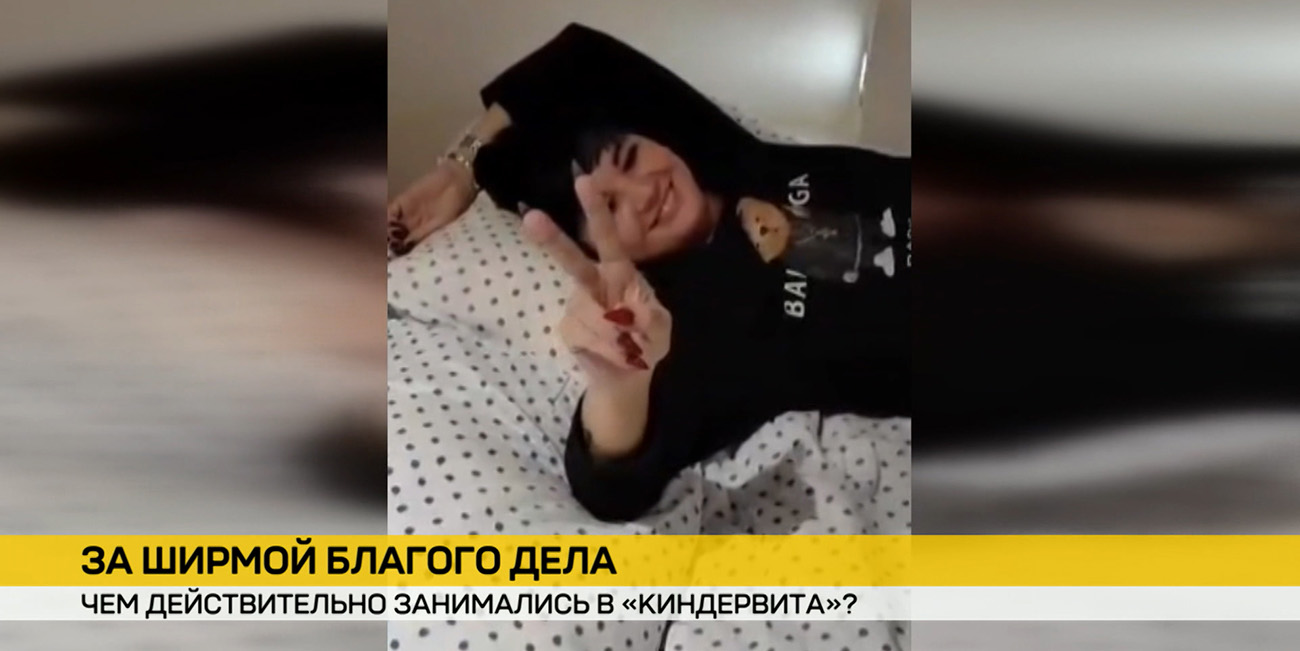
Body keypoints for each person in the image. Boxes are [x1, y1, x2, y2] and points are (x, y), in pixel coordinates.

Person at [388, 23, 910, 521]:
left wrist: (460, 168)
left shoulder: (729, 154)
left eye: (632, 157)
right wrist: (618, 388)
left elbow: (577, 54)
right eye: (609, 207)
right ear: (591, 245)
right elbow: (608, 489)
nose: (645, 192)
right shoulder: (694, 323)